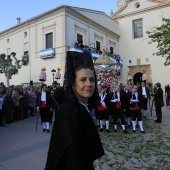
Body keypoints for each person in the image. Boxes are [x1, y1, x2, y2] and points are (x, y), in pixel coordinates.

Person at [45, 51, 104, 170]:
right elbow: (73, 158)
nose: (89, 84)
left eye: (92, 79)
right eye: (83, 79)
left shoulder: (79, 106)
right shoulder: (70, 111)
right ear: (73, 83)